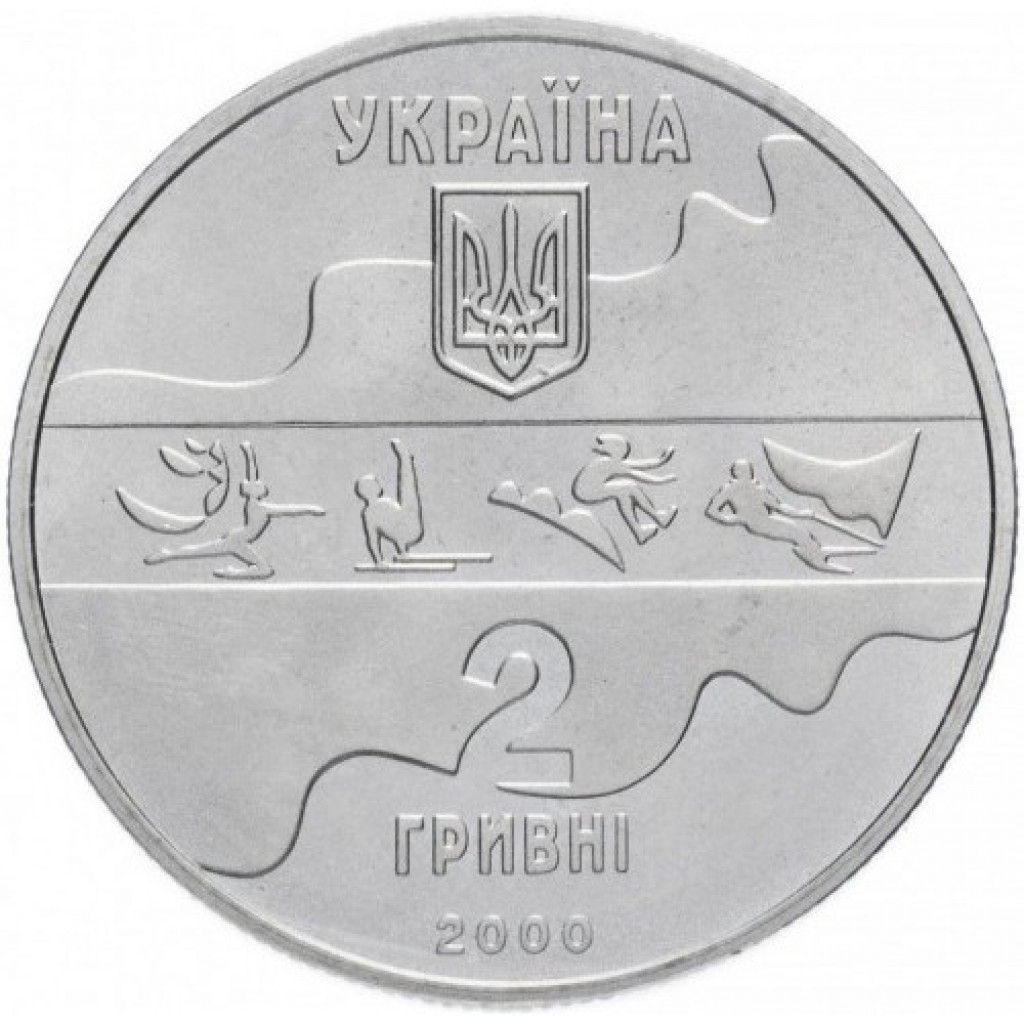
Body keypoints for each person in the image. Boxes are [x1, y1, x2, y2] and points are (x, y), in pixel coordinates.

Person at [705, 459, 870, 574]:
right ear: (737, 473)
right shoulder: (730, 490)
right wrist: (734, 519)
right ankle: (817, 560)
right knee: (797, 533)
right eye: (744, 471)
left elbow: (779, 506)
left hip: (766, 520)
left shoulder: (757, 489)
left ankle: (817, 552)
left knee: (801, 532)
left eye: (749, 471)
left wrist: (801, 513)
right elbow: (712, 510)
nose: (748, 473)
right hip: (759, 524)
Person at [572, 433, 677, 544]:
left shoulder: (611, 461)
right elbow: (637, 473)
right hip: (586, 490)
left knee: (624, 493)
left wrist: (661, 462)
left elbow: (641, 466)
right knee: (628, 487)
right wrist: (660, 479)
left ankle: (640, 531)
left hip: (589, 489)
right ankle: (657, 517)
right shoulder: (608, 462)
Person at [355, 438, 424, 565]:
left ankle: (405, 460)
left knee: (408, 494)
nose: (378, 485)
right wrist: (379, 561)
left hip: (407, 527)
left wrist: (378, 561)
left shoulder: (373, 510)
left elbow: (373, 539)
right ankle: (405, 459)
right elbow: (373, 539)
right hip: (409, 528)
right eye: (375, 483)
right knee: (408, 492)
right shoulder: (371, 512)